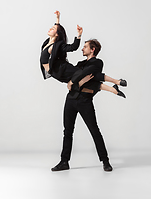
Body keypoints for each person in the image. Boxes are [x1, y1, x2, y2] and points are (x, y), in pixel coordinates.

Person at [51, 39, 127, 172]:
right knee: (67, 131)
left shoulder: (97, 63)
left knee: (94, 131)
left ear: (92, 50)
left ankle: (105, 161)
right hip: (71, 99)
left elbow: (86, 75)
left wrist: (74, 83)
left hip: (85, 101)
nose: (82, 49)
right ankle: (64, 162)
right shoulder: (80, 64)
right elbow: (75, 80)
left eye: (85, 47)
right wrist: (77, 83)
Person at [40, 11, 127, 97]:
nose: (50, 28)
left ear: (56, 34)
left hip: (63, 70)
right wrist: (58, 18)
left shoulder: (57, 45)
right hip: (57, 73)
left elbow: (73, 47)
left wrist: (79, 35)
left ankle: (116, 82)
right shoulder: (48, 42)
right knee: (86, 82)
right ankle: (114, 89)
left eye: (53, 29)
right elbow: (58, 30)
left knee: (88, 75)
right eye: (51, 27)